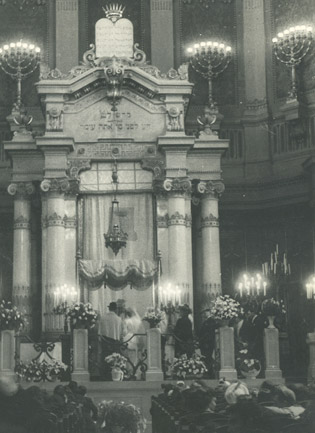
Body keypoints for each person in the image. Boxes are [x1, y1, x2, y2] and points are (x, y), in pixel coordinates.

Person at [100, 302, 123, 378]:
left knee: (105, 358)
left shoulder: (103, 317)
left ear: (109, 308)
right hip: (115, 342)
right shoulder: (118, 319)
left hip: (105, 341)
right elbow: (121, 332)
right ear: (116, 309)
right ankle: (115, 376)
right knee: (115, 359)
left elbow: (99, 332)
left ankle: (105, 376)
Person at [198, 308, 216, 377]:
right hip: (205, 342)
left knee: (207, 357)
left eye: (206, 312)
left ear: (209, 313)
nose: (204, 313)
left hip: (207, 343)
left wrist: (205, 341)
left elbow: (209, 333)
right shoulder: (207, 321)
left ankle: (209, 372)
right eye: (204, 312)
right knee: (206, 357)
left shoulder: (211, 321)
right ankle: (209, 372)